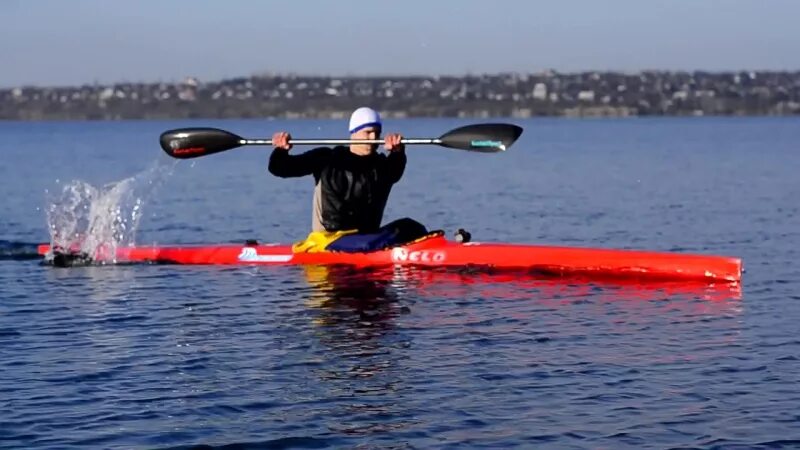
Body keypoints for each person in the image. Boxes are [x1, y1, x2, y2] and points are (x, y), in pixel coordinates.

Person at [268, 107, 429, 252]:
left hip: (368, 237)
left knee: (412, 227)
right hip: (328, 239)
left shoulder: (381, 166)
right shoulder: (325, 158)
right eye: (368, 132)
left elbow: (396, 169)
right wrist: (280, 150)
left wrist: (398, 151)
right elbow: (279, 168)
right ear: (354, 132)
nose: (373, 137)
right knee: (369, 244)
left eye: (377, 133)